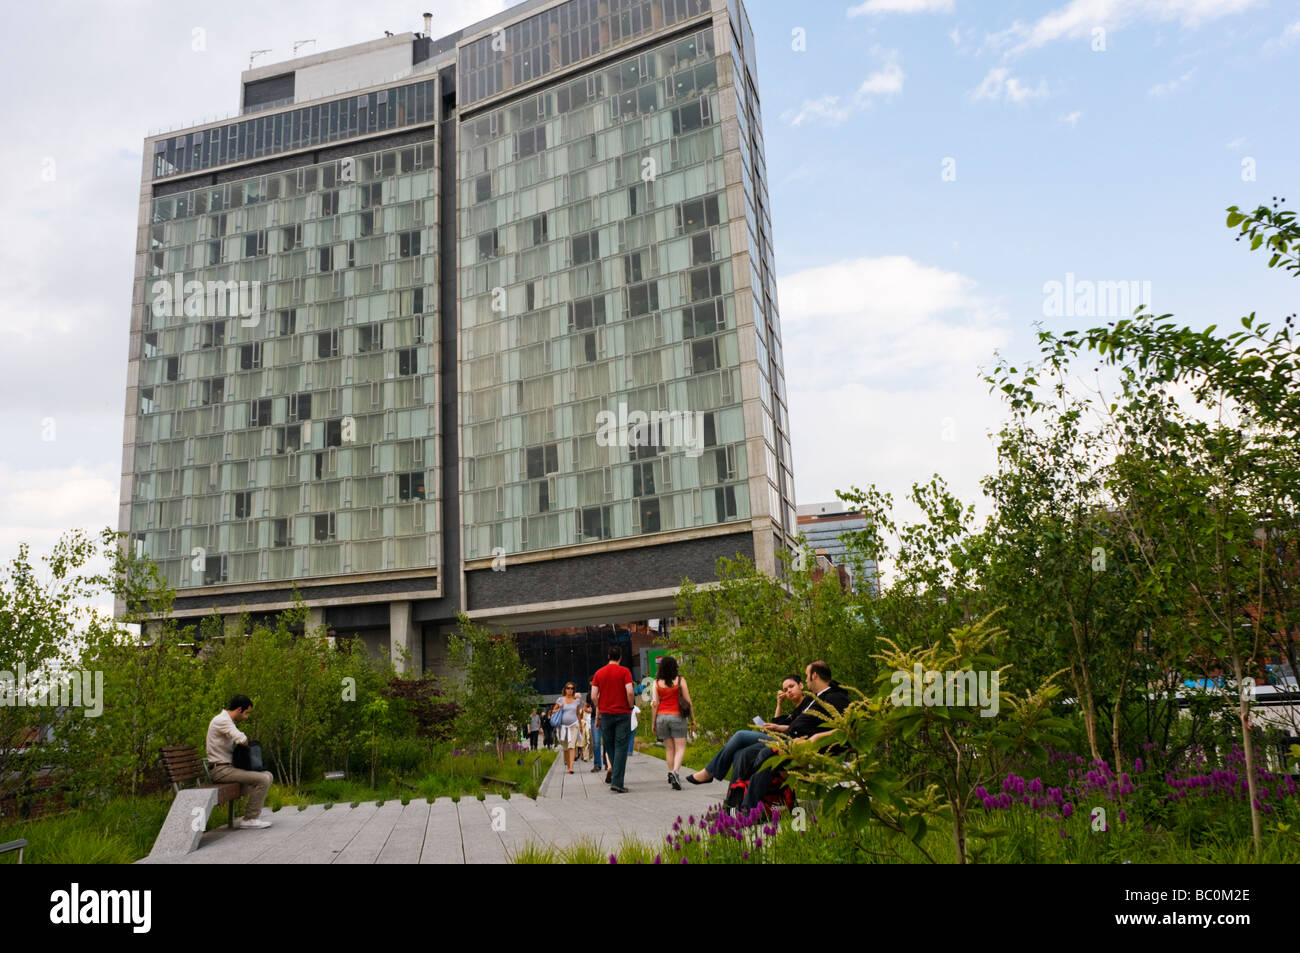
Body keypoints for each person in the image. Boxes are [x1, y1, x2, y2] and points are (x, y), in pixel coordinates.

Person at [736, 660, 849, 812]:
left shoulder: (834, 697)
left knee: (765, 754)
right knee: (747, 753)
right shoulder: (816, 698)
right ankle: (738, 802)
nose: (807, 679)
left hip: (808, 746)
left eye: (807, 676)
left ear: (814, 675)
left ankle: (748, 809)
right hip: (790, 740)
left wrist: (815, 739)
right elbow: (791, 723)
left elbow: (847, 727)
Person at [685, 674, 808, 785]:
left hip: (788, 743)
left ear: (801, 685)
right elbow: (775, 725)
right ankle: (734, 799)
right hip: (778, 738)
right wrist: (779, 704)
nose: (789, 691)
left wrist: (778, 727)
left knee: (740, 736)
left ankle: (709, 772)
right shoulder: (794, 710)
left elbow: (799, 728)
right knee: (739, 753)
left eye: (791, 686)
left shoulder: (809, 704)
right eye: (786, 690)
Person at [206, 694, 274, 830]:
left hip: (227, 768)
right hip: (221, 771)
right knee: (263, 779)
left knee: (268, 775)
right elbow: (241, 739)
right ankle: (250, 819)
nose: (246, 717)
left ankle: (251, 817)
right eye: (246, 713)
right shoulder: (222, 720)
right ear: (239, 709)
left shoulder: (226, 720)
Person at [590, 646, 635, 793]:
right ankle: (617, 782)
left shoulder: (598, 673)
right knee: (621, 747)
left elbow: (593, 696)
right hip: (623, 714)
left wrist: (600, 706)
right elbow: (629, 691)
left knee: (610, 747)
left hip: (605, 715)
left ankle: (616, 779)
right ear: (620, 657)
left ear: (608, 656)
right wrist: (630, 706)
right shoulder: (624, 672)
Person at [651, 656, 694, 790]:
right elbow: (688, 702)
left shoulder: (657, 682)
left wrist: (653, 723)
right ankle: (675, 772)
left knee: (669, 748)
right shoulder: (680, 680)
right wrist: (693, 719)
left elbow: (655, 704)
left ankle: (671, 773)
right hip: (677, 717)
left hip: (662, 718)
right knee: (680, 747)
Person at [552, 682, 584, 773]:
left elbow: (578, 714)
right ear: (565, 689)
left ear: (574, 690)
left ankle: (571, 768)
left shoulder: (576, 701)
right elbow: (553, 711)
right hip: (563, 727)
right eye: (568, 688)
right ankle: (567, 764)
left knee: (571, 745)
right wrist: (559, 708)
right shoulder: (560, 700)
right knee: (565, 747)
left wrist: (581, 726)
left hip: (574, 725)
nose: (570, 690)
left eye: (572, 688)